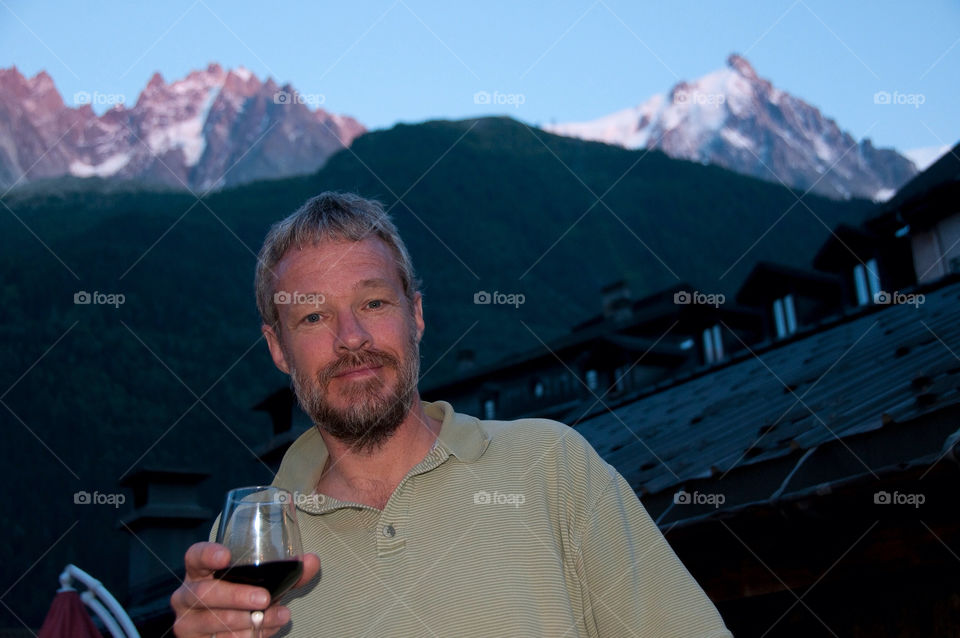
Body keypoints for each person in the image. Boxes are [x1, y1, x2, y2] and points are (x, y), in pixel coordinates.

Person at [171, 192, 733, 637]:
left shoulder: (550, 465)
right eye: (314, 316)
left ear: (414, 314)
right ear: (277, 348)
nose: (351, 339)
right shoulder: (255, 536)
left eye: (373, 303)